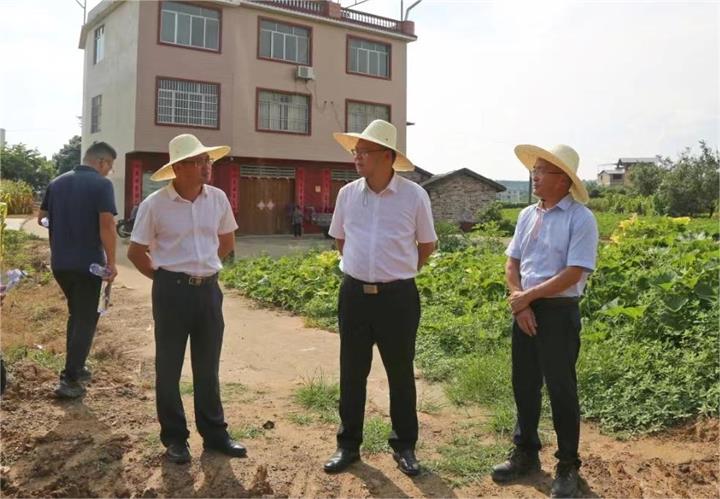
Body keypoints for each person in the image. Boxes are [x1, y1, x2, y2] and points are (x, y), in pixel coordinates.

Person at [323, 120, 437, 476]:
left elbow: (427, 244)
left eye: (364, 152)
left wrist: (398, 271)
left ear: (387, 156)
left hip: (397, 298)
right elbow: (341, 239)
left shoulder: (413, 196)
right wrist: (362, 268)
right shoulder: (347, 194)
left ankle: (404, 446)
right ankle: (348, 445)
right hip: (354, 294)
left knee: (400, 372)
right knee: (352, 371)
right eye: (355, 151)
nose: (357, 157)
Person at [127, 134, 246, 465]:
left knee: (207, 366)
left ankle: (215, 434)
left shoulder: (217, 199)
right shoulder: (155, 205)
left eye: (207, 160)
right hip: (171, 292)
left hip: (208, 291)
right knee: (168, 367)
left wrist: (202, 269)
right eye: (197, 161)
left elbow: (226, 242)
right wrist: (167, 280)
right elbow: (136, 252)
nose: (206, 167)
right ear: (178, 168)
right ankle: (175, 438)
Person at [491, 144, 599, 498]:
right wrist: (520, 302)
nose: (534, 176)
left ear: (563, 179)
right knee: (524, 384)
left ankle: (567, 465)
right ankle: (525, 452)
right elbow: (512, 263)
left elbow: (575, 271)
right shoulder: (527, 215)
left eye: (541, 171)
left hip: (558, 313)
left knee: (561, 388)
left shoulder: (580, 218)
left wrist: (529, 297)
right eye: (534, 170)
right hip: (524, 309)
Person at [38, 141, 118, 399]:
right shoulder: (102, 185)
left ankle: (77, 367)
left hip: (60, 263)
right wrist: (112, 262)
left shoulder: (56, 183)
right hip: (88, 265)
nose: (109, 171)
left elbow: (41, 218)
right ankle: (70, 379)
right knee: (86, 319)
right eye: (110, 166)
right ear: (102, 162)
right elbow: (107, 225)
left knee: (78, 315)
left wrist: (64, 225)